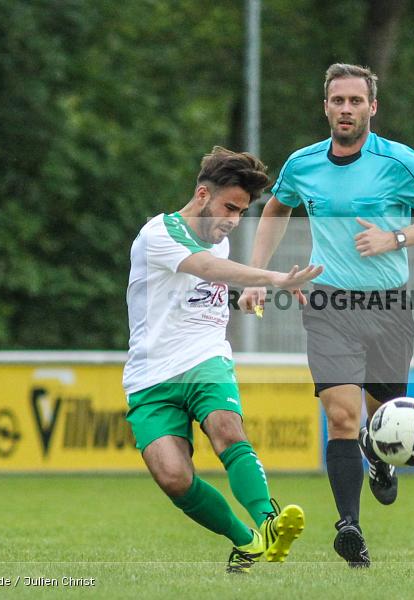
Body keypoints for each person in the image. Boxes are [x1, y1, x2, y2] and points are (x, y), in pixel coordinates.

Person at [238, 63, 414, 567]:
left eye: (355, 101)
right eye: (338, 100)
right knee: (341, 415)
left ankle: (380, 458)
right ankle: (349, 527)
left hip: (388, 305)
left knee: (383, 415)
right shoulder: (302, 164)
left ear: (372, 108)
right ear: (325, 106)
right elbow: (277, 208)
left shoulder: (399, 161)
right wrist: (258, 273)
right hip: (327, 305)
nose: (346, 109)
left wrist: (395, 237)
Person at [122, 147, 324, 574]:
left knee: (227, 430)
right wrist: (272, 279)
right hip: (150, 376)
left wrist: (250, 290)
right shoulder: (159, 233)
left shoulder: (220, 237)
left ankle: (269, 522)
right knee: (173, 478)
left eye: (242, 211)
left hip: (205, 359)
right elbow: (207, 269)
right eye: (229, 207)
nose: (233, 219)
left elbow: (210, 283)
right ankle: (246, 540)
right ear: (201, 194)